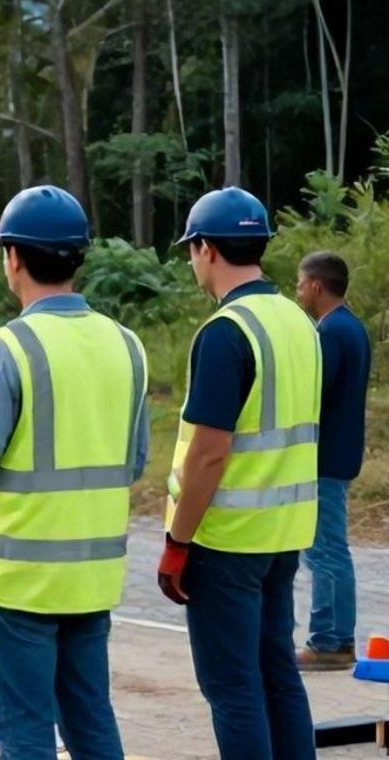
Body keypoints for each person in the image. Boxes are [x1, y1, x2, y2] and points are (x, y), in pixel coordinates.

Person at [0, 185, 149, 759]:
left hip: (19, 578)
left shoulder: (8, 347)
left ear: (14, 257)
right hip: (92, 574)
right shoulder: (127, 345)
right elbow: (135, 459)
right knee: (91, 718)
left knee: (23, 731)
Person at [157, 187, 320, 760]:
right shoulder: (299, 322)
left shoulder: (227, 332)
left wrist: (178, 540)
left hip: (226, 542)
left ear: (205, 249)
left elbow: (208, 453)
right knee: (278, 673)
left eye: (190, 250)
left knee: (233, 688)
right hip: (285, 535)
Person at [295, 251, 371, 671]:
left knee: (323, 550)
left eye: (300, 282)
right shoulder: (352, 326)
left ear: (317, 286)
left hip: (324, 458)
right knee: (333, 549)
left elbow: (314, 393)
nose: (298, 289)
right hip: (342, 453)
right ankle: (337, 637)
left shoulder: (329, 332)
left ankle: (329, 639)